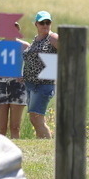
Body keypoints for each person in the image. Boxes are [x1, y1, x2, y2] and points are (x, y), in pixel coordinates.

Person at [0, 21, 30, 139]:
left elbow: (34, 67)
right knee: (1, 128)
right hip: (1, 86)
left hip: (18, 87)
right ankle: (0, 154)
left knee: (15, 126)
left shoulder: (25, 46)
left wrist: (26, 76)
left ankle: (15, 152)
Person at [22, 10, 58, 139]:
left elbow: (69, 52)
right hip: (31, 84)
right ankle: (41, 142)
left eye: (47, 22)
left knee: (37, 118)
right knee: (35, 118)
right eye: (42, 22)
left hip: (43, 84)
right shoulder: (36, 39)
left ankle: (46, 145)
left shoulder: (53, 38)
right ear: (36, 24)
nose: (45, 25)